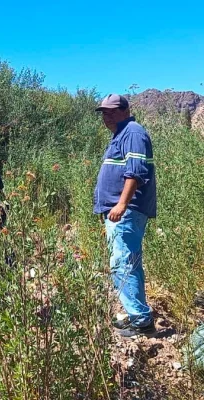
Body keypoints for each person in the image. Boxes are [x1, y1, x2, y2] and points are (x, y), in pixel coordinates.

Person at [94, 94, 157, 337]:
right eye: (103, 113)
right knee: (127, 262)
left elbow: (136, 173)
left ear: (126, 110)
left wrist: (121, 204)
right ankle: (137, 316)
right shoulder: (122, 134)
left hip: (126, 211)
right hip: (121, 211)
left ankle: (140, 320)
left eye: (111, 111)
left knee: (123, 263)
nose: (106, 116)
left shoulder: (132, 132)